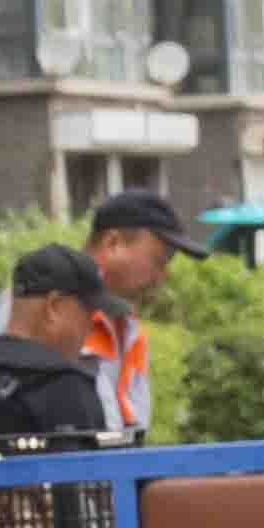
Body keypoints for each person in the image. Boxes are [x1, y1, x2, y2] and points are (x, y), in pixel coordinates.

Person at [0, 241, 120, 457]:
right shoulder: (64, 386)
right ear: (54, 307)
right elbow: (87, 475)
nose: (89, 328)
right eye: (87, 314)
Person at [79, 187, 193, 439]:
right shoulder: (37, 305)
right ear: (113, 243)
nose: (161, 277)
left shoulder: (126, 326)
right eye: (158, 261)